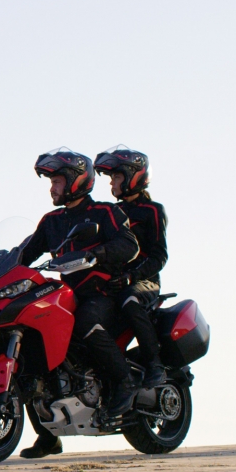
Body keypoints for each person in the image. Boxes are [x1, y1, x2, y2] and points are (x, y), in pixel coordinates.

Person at [17, 147, 141, 459]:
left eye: (57, 181)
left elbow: (128, 245)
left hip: (101, 292)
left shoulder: (104, 213)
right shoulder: (51, 221)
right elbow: (25, 252)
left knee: (86, 322)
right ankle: (47, 437)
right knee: (32, 341)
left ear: (75, 180)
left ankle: (125, 381)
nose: (52, 187)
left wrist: (97, 254)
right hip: (65, 294)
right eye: (51, 182)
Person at [94, 145, 169, 388]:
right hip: (114, 281)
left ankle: (154, 362)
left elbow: (159, 256)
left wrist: (132, 276)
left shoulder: (152, 211)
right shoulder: (111, 212)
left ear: (133, 176)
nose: (112, 183)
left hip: (143, 282)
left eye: (116, 177)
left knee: (130, 300)